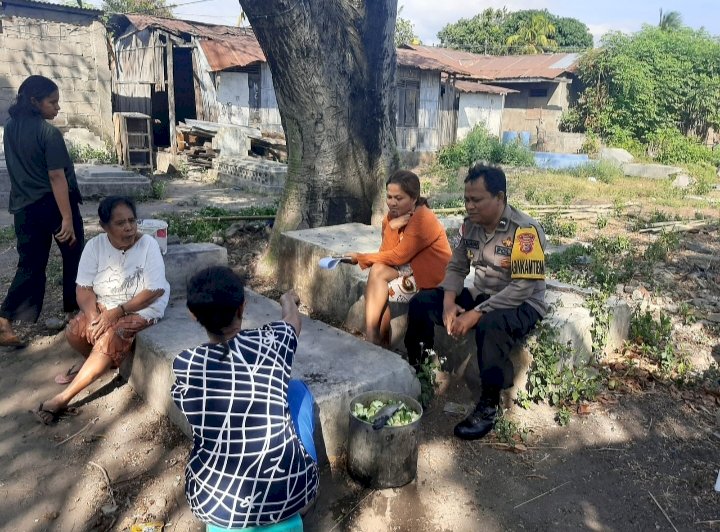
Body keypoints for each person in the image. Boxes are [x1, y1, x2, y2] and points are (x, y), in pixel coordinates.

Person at [404, 163, 547, 441]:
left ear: (500, 197)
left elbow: (522, 288)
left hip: (522, 304)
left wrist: (475, 314)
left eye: (477, 199)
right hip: (484, 295)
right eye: (467, 199)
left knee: (489, 325)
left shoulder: (525, 231)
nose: (469, 206)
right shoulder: (469, 227)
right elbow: (457, 268)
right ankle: (419, 375)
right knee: (422, 302)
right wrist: (448, 303)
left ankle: (488, 406)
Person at [172, 266, 319, 529]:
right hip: (293, 494)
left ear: (193, 315)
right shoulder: (273, 342)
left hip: (213, 504)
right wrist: (287, 301)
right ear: (242, 307)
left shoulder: (186, 365)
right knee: (296, 390)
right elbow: (293, 322)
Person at [32, 196, 169, 424]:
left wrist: (116, 313)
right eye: (120, 223)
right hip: (106, 303)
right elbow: (83, 288)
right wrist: (94, 317)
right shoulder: (95, 246)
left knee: (109, 339)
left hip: (142, 307)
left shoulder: (148, 245)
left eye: (132, 221)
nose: (128, 228)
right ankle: (97, 365)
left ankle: (62, 399)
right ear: (104, 226)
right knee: (75, 332)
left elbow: (154, 291)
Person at [0, 75, 84, 347]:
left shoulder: (10, 127)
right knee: (73, 255)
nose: (57, 108)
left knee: (30, 264)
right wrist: (68, 218)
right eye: (52, 102)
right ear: (34, 102)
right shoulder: (48, 133)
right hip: (54, 205)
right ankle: (74, 312)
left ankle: (4, 319)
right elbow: (57, 177)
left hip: (24, 208)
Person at [347, 170, 452, 348]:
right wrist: (391, 228)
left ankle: (376, 340)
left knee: (379, 285)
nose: (392, 203)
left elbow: (398, 256)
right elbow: (386, 253)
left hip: (432, 279)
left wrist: (361, 257)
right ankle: (374, 337)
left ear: (414, 198)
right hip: (408, 270)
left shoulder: (423, 218)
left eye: (399, 198)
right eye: (389, 197)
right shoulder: (391, 217)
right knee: (377, 271)